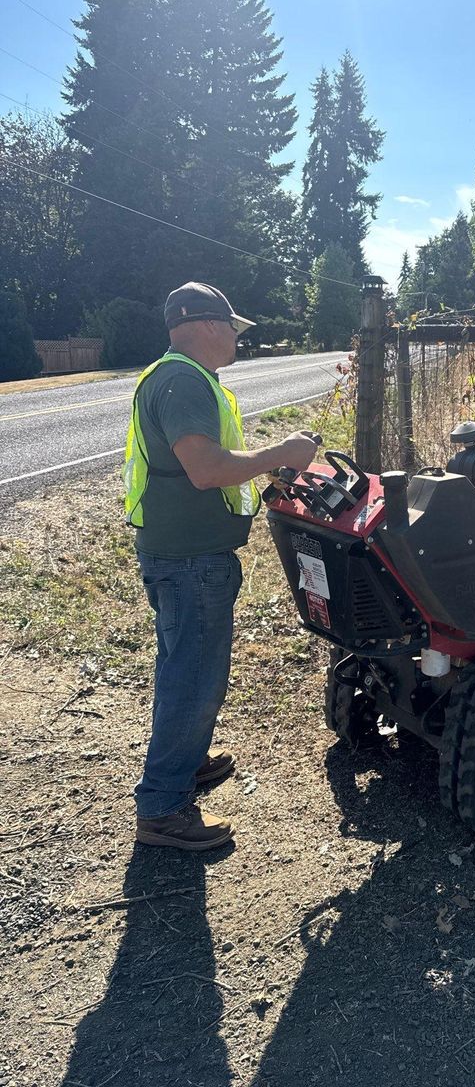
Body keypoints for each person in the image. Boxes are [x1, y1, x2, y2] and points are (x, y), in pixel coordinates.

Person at [123, 282, 317, 851]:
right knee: (193, 677)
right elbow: (206, 469)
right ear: (207, 325)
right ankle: (162, 807)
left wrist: (262, 472)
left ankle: (183, 761)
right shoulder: (183, 382)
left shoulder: (172, 376)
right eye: (232, 327)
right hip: (189, 561)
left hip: (175, 551)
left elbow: (199, 467)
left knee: (185, 667)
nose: (236, 337)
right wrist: (282, 453)